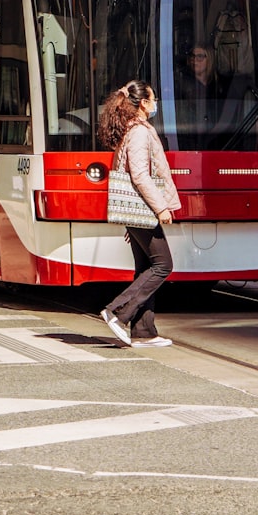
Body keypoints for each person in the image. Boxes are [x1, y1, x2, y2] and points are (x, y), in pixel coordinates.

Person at [97, 80, 181, 348]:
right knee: (163, 265)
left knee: (145, 267)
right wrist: (161, 207)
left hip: (136, 212)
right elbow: (141, 175)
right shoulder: (140, 131)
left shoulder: (129, 129)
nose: (156, 104)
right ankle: (117, 311)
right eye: (153, 100)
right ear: (143, 103)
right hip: (145, 208)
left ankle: (144, 332)